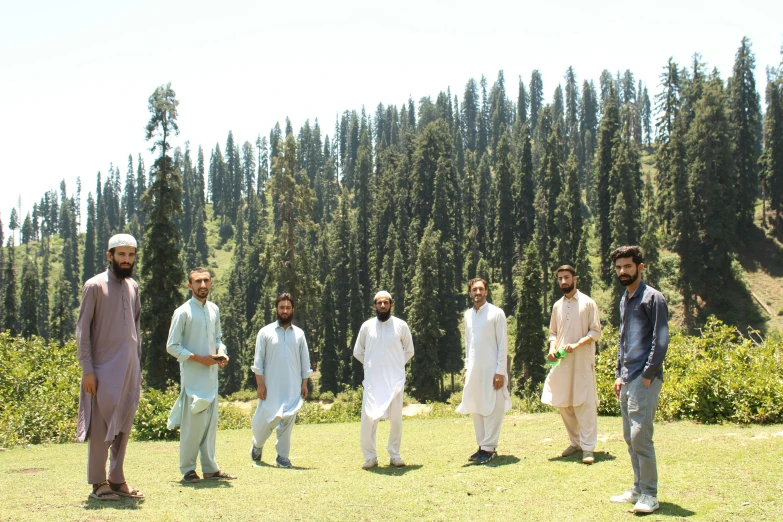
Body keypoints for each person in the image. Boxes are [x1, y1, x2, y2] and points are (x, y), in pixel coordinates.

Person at [76, 234, 144, 501]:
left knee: (124, 425)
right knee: (102, 427)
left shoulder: (133, 287)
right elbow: (83, 333)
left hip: (129, 370)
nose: (126, 260)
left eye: (131, 255)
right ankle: (97, 483)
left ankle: (116, 479)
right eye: (121, 255)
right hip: (102, 370)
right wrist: (87, 370)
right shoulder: (94, 286)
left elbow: (136, 329)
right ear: (110, 256)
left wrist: (137, 367)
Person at [608, 246, 669, 514]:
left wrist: (647, 375)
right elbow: (623, 340)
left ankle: (650, 494)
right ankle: (637, 489)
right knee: (629, 437)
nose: (623, 271)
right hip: (627, 377)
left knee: (641, 437)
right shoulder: (625, 298)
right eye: (619, 267)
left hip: (644, 378)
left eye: (628, 267)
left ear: (640, 267)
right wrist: (619, 374)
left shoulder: (653, 298)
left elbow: (661, 340)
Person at [166, 267, 236, 483]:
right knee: (192, 428)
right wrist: (199, 358)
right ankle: (187, 469)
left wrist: (220, 353)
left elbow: (217, 339)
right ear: (190, 285)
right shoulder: (183, 312)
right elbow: (172, 346)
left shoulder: (214, 309)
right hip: (193, 380)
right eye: (198, 281)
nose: (202, 285)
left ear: (211, 283)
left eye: (206, 281)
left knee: (210, 426)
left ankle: (210, 468)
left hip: (212, 378)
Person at [541, 265, 602, 464]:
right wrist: (552, 348)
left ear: (575, 278)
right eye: (560, 279)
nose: (563, 282)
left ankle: (588, 448)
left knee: (584, 403)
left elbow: (596, 332)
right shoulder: (557, 306)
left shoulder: (588, 303)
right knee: (563, 402)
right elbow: (553, 333)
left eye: (566, 277)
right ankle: (575, 443)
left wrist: (577, 344)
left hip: (582, 360)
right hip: (562, 361)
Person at [250, 293, 313, 468]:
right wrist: (260, 384)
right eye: (281, 307)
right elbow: (258, 361)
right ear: (276, 309)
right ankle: (257, 445)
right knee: (267, 421)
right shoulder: (265, 332)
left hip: (293, 387)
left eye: (288, 307)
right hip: (271, 387)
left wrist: (304, 383)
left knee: (288, 420)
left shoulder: (299, 334)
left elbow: (305, 361)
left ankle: (282, 456)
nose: (284, 311)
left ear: (293, 310)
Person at [353, 291, 415, 470]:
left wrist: (396, 365)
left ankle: (394, 455)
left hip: (394, 380)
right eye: (379, 303)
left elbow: (409, 350)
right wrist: (371, 365)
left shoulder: (401, 325)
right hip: (373, 381)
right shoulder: (366, 327)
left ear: (391, 305)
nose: (382, 306)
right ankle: (370, 457)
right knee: (368, 419)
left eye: (386, 303)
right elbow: (358, 351)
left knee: (396, 419)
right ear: (374, 305)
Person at [455, 278, 511, 464]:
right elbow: (467, 344)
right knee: (477, 407)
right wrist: (466, 367)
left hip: (493, 369)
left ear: (486, 292)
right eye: (474, 290)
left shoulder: (497, 313)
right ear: (470, 293)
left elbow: (502, 344)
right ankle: (481, 446)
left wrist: (500, 371)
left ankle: (489, 448)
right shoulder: (467, 315)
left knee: (493, 407)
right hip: (474, 369)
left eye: (481, 289)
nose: (477, 293)